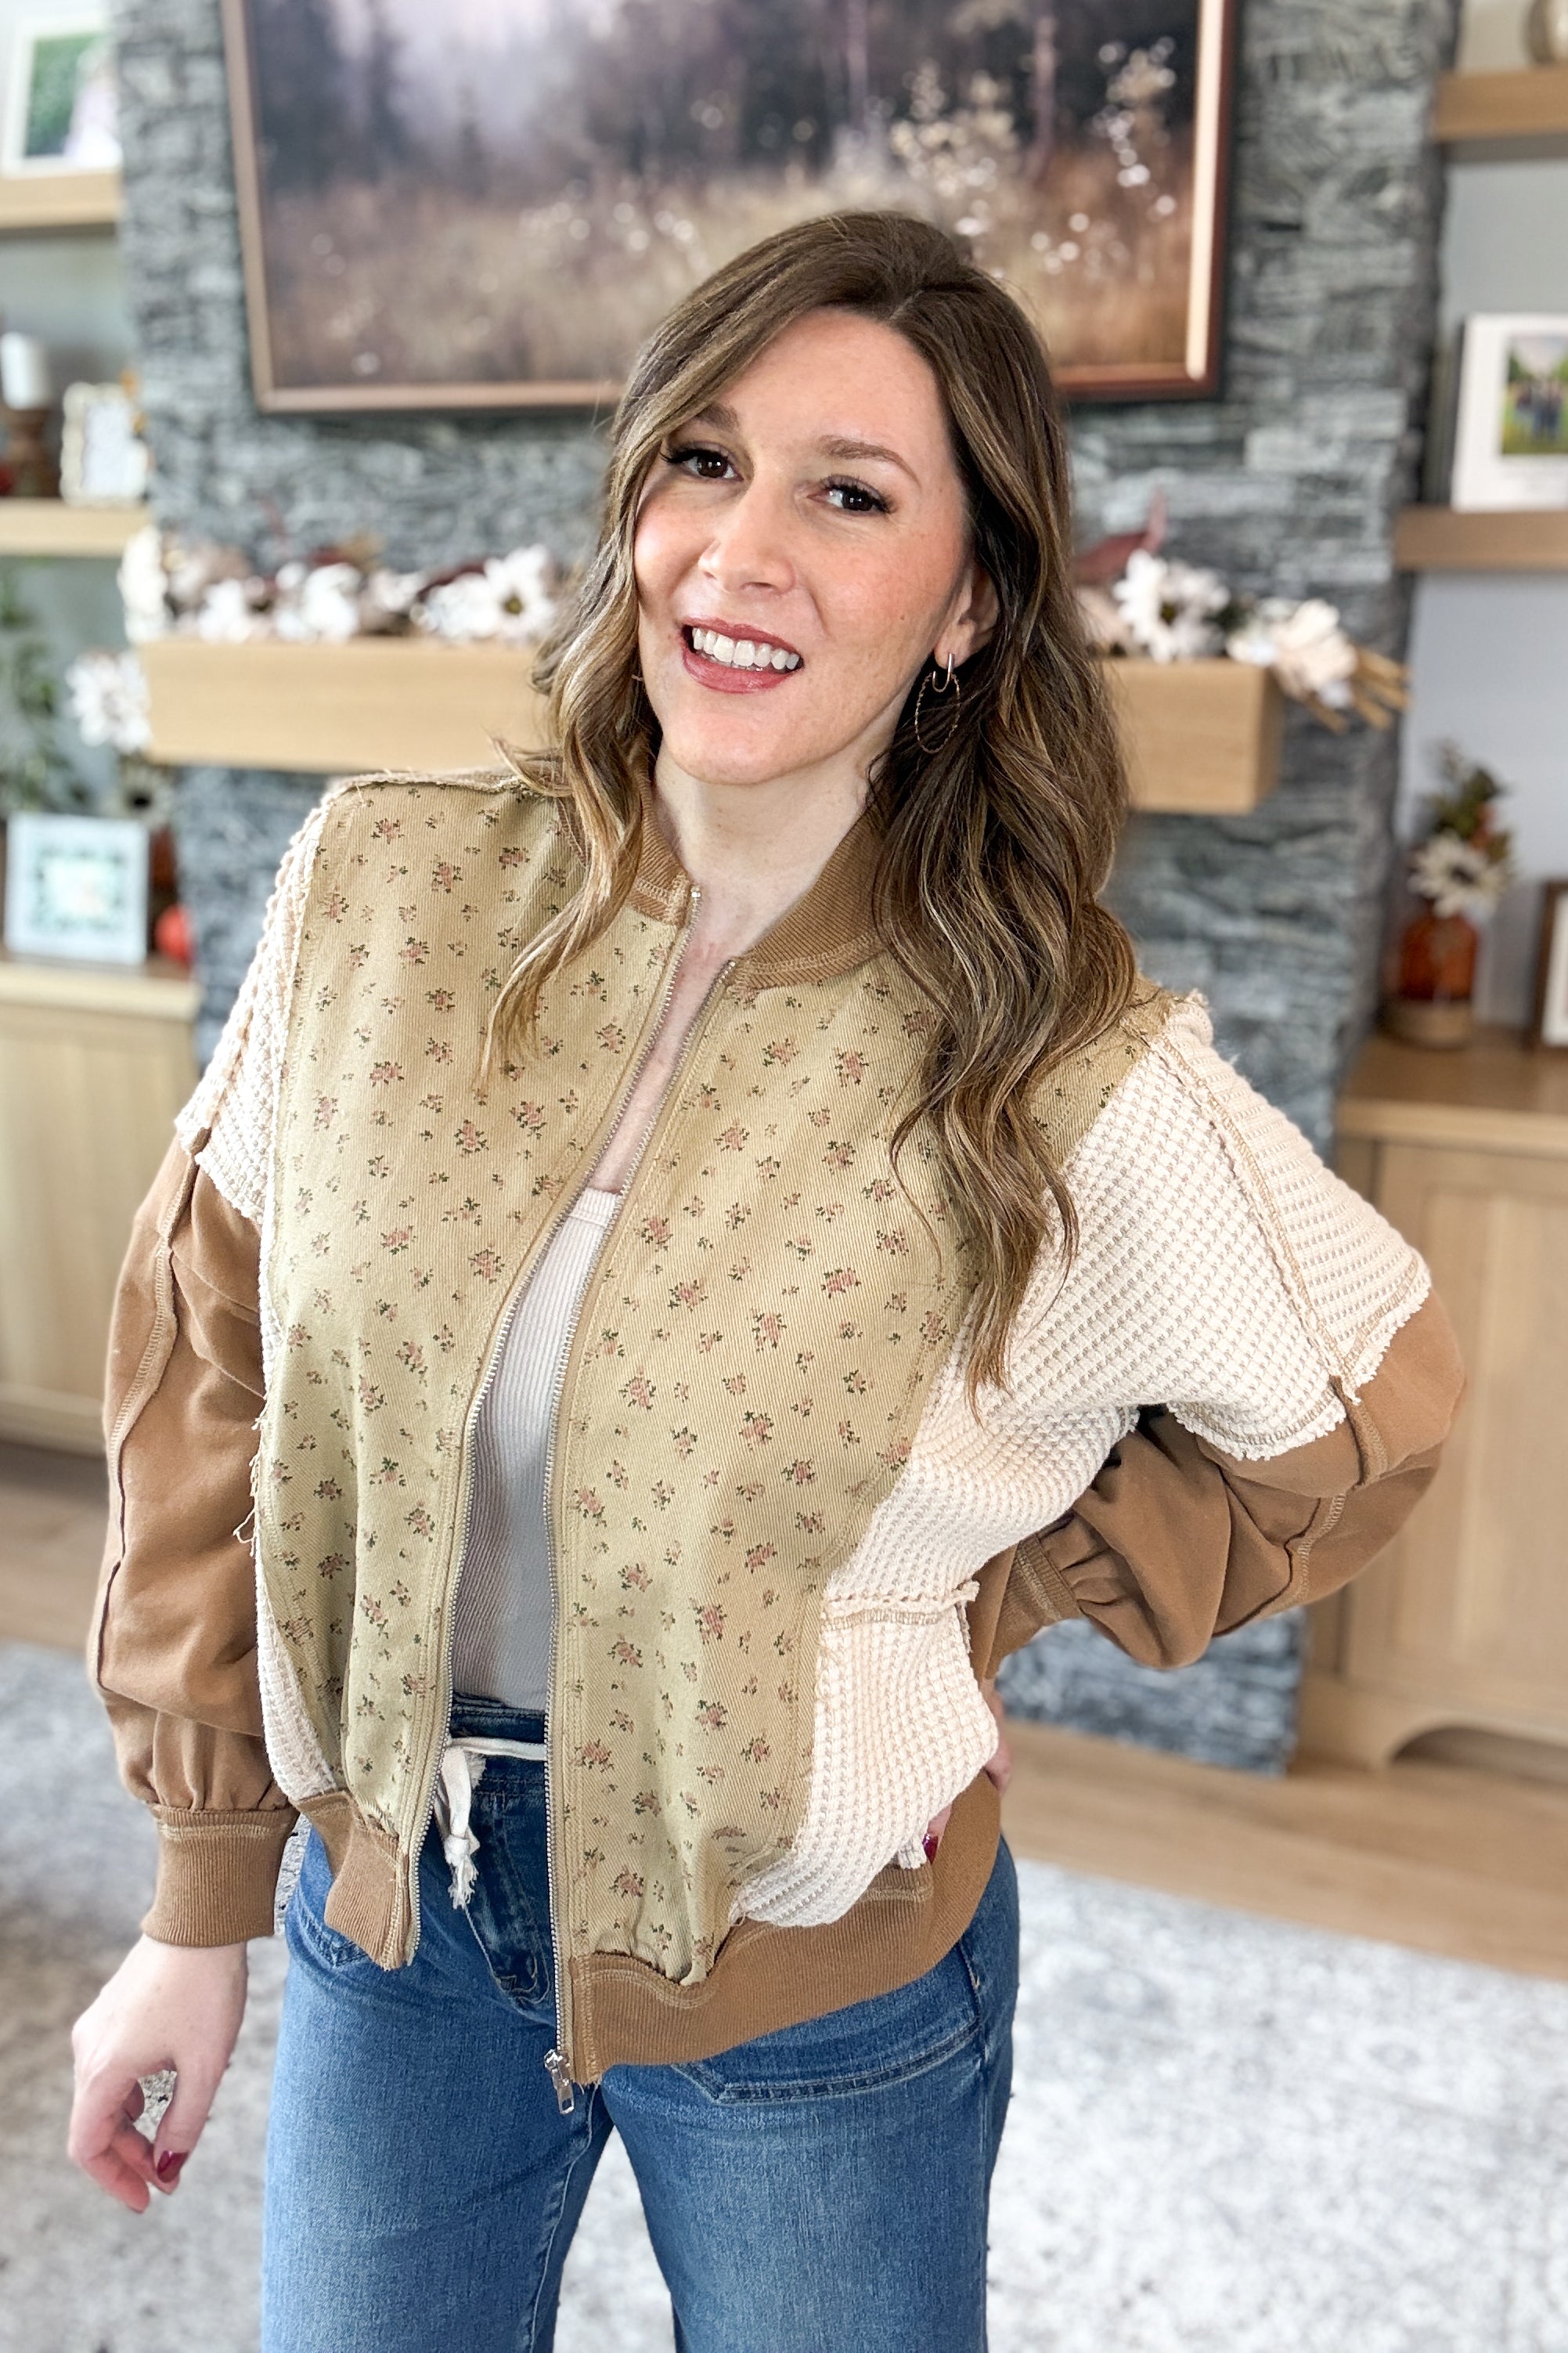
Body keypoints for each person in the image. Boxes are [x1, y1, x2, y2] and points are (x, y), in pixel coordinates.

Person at [68, 212, 1462, 2352]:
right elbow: (211, 1373)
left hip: (821, 1978)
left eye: (851, 495)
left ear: (971, 601)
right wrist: (196, 1903)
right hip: (396, 1902)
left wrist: (961, 1595)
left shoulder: (1054, 1058)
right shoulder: (380, 890)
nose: (742, 553)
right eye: (703, 463)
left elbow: (1366, 1408)